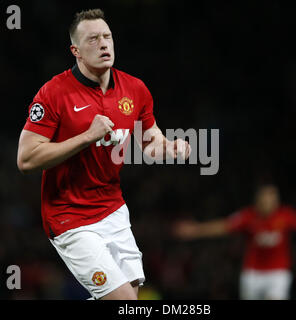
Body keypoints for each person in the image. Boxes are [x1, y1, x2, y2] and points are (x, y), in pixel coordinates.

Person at [17, 8, 191, 300]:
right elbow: (26, 160)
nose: (103, 43)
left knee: (131, 298)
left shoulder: (135, 89)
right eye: (93, 39)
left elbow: (150, 141)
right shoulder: (53, 94)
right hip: (68, 215)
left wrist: (169, 147)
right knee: (123, 300)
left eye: (107, 36)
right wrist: (86, 137)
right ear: (76, 51)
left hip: (113, 209)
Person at [173, 184, 296, 300]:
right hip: (252, 274)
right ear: (258, 201)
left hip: (278, 273)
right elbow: (222, 226)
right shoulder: (248, 216)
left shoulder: (285, 216)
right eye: (266, 198)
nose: (269, 202)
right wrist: (195, 230)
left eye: (273, 198)